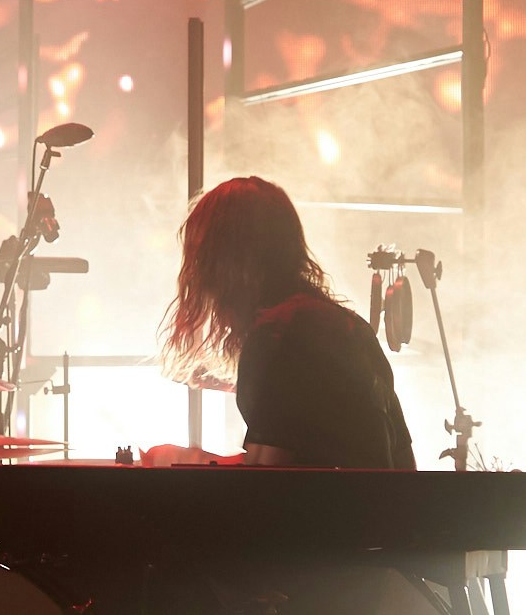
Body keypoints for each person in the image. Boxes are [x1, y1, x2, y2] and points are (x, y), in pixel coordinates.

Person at [146, 176, 413, 469]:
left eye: (202, 261)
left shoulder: (278, 334)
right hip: (378, 512)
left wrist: (179, 460)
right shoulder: (351, 328)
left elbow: (265, 478)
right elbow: (402, 462)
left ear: (227, 263)